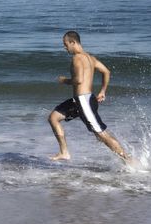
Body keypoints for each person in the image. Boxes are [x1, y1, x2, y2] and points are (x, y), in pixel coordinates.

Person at [48, 31, 132, 163]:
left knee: (100, 134)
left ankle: (129, 160)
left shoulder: (77, 58)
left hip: (83, 101)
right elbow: (106, 71)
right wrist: (103, 91)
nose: (64, 47)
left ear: (73, 42)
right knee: (53, 117)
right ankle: (64, 152)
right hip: (83, 100)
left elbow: (78, 80)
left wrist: (65, 80)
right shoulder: (90, 58)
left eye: (65, 44)